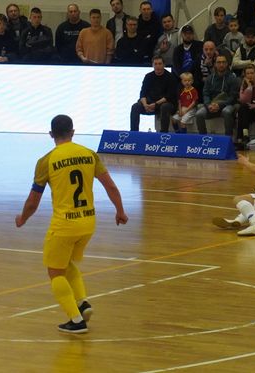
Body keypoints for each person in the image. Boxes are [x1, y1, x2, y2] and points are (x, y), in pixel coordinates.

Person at [15, 114, 128, 333]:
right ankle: (82, 303)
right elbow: (111, 187)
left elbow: (33, 201)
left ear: (51, 134)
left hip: (64, 225)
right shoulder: (89, 154)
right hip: (88, 222)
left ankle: (76, 321)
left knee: (55, 272)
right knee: (67, 265)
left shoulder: (46, 161)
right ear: (73, 132)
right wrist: (120, 211)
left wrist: (22, 219)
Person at [195, 54, 241, 135]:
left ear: (227, 64)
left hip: (227, 105)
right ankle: (203, 138)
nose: (221, 64)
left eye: (223, 62)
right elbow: (205, 93)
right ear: (215, 64)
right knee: (199, 114)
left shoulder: (233, 78)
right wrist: (208, 105)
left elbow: (233, 97)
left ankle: (228, 139)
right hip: (211, 105)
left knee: (227, 112)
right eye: (219, 62)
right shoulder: (210, 78)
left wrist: (219, 105)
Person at [130, 56, 178, 132]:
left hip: (165, 103)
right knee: (135, 107)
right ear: (152, 65)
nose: (157, 66)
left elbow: (169, 96)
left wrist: (156, 104)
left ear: (164, 65)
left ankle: (163, 133)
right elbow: (143, 93)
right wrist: (145, 105)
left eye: (160, 64)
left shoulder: (170, 77)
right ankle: (134, 133)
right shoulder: (148, 76)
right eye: (155, 64)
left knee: (165, 107)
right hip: (149, 103)